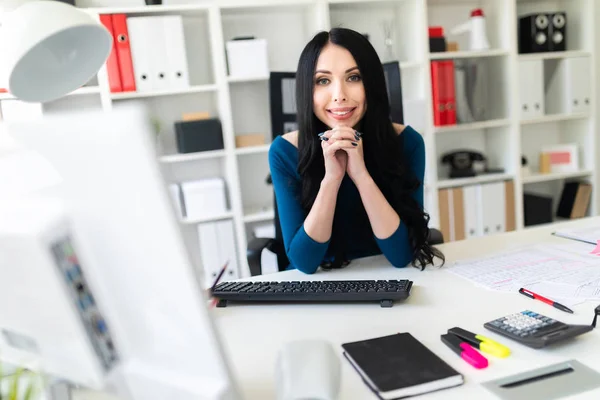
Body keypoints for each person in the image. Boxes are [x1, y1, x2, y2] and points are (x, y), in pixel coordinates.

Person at [268, 27, 444, 274]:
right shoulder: (284, 151)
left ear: (371, 82)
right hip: (320, 290)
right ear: (308, 90)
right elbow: (305, 264)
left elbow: (401, 255)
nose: (339, 95)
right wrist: (332, 179)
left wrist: (361, 176)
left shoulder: (408, 142)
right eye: (323, 81)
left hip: (385, 279)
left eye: (354, 77)